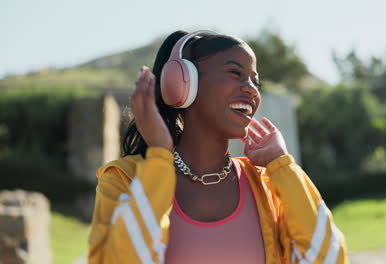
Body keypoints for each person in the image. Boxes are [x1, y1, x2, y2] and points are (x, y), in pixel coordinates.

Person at [87, 30, 349, 264]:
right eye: (235, 73)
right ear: (181, 84)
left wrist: (282, 164)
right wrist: (159, 158)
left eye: (255, 82)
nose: (251, 90)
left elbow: (328, 258)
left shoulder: (267, 184)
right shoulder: (124, 180)